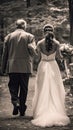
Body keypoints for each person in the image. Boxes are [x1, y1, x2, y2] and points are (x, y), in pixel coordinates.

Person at [31, 24, 70, 127]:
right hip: (53, 66)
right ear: (52, 31)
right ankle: (56, 108)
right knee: (54, 87)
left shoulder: (39, 43)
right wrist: (66, 54)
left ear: (44, 32)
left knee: (42, 87)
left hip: (43, 66)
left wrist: (32, 49)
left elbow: (36, 58)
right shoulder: (57, 43)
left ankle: (41, 111)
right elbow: (59, 57)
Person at [1, 19, 36, 116]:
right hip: (25, 66)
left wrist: (2, 68)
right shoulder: (30, 36)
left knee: (13, 86)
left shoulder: (8, 37)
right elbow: (33, 52)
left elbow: (5, 54)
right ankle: (22, 107)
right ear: (24, 26)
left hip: (12, 66)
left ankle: (15, 102)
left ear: (16, 26)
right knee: (24, 88)